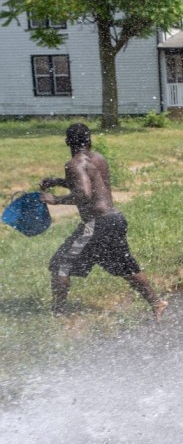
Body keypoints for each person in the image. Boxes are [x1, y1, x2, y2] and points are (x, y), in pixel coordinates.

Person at [39, 123, 167, 320]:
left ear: (67, 141)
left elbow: (83, 193)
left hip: (97, 224)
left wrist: (55, 200)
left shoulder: (74, 164)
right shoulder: (99, 159)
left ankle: (59, 314)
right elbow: (92, 184)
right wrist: (58, 181)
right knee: (126, 267)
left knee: (60, 265)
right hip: (114, 219)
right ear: (89, 140)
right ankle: (157, 303)